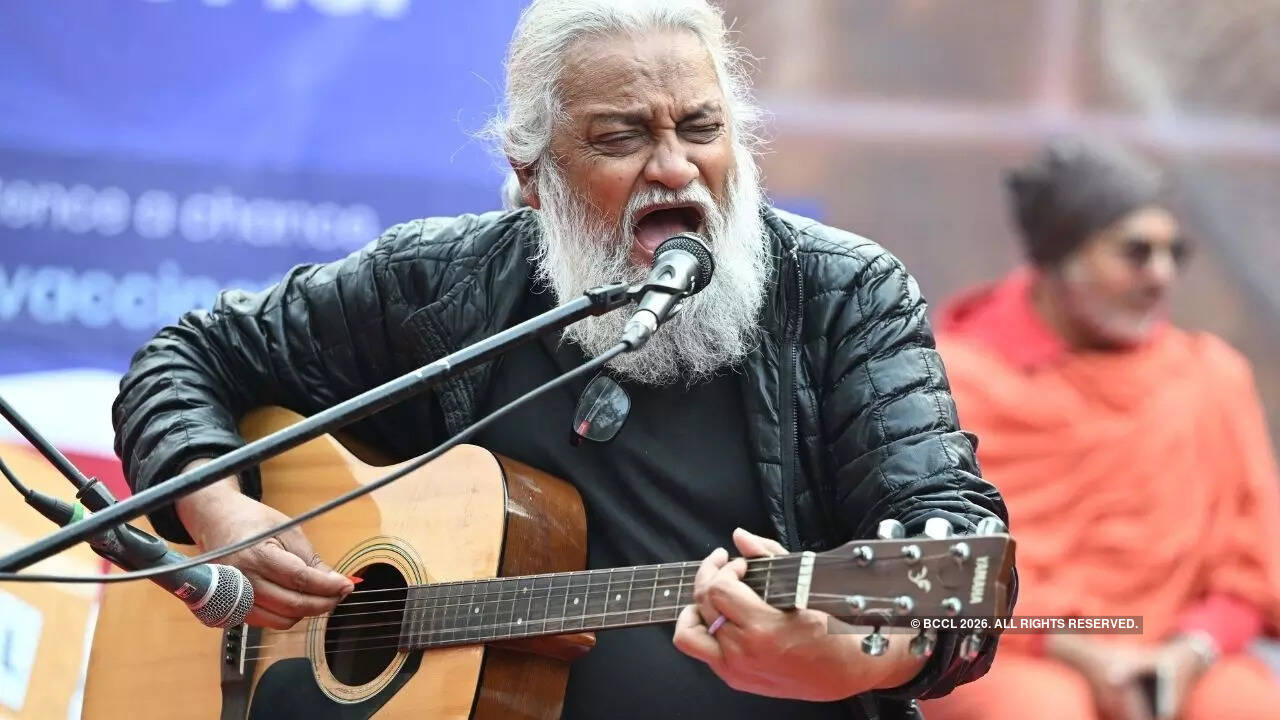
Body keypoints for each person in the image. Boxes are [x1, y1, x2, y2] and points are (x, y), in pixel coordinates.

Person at [111, 1, 1011, 718]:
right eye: (622, 138)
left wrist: (851, 661)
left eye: (702, 127)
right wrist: (219, 506)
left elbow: (953, 546)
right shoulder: (442, 285)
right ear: (532, 173)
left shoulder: (842, 291)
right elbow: (187, 354)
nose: (677, 170)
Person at [921, 137, 1280, 720]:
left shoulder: (1212, 377)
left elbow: (1253, 566)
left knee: (1244, 706)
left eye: (1175, 252)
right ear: (1058, 259)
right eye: (1136, 252)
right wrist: (1081, 653)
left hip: (1180, 650)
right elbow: (932, 566)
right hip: (1007, 648)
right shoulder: (952, 382)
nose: (1162, 276)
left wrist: (1190, 652)